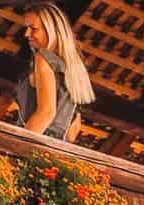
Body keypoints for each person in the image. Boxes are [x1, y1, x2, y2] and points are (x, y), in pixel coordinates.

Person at [14, 3, 94, 142]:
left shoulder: (43, 58)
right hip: (54, 151)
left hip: (33, 144)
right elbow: (72, 132)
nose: (27, 34)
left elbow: (46, 112)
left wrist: (15, 145)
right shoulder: (74, 69)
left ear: (52, 30)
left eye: (33, 28)